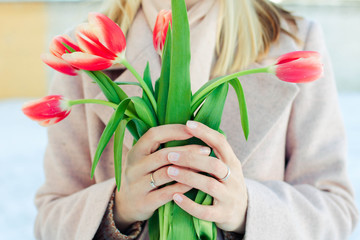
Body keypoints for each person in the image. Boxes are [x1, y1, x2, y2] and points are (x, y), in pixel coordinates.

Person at [34, 0, 359, 239]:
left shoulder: (294, 39)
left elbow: (338, 212)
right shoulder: (85, 49)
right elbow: (50, 220)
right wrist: (118, 208)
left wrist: (248, 210)